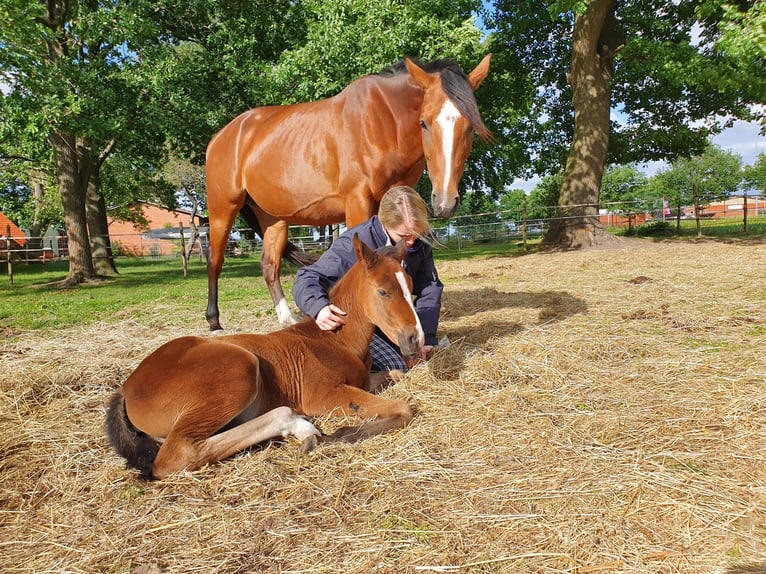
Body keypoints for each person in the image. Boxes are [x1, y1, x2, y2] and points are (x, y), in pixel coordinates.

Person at [292, 185, 443, 372]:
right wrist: (318, 307)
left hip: (387, 317)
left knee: (415, 356)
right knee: (396, 366)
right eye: (404, 236)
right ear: (384, 223)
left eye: (417, 234)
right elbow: (307, 277)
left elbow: (429, 285)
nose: (411, 242)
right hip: (352, 323)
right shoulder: (353, 245)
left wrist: (427, 336)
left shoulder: (418, 243)